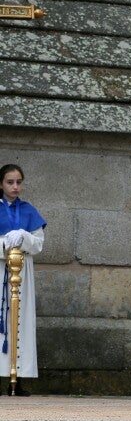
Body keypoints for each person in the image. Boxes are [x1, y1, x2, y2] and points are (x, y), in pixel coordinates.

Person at [0, 164, 46, 396]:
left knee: (22, 323)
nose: (15, 187)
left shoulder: (28, 210)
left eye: (19, 182)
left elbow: (38, 243)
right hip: (0, 270)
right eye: (10, 182)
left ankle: (18, 380)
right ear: (1, 184)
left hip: (23, 272)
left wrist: (24, 236)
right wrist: (4, 244)